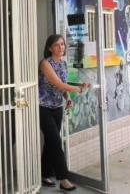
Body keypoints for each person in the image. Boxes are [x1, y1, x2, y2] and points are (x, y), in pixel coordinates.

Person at [39, 34, 89, 191]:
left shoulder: (63, 64)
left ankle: (44, 174)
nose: (60, 47)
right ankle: (63, 178)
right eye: (56, 45)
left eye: (62, 44)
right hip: (43, 108)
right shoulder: (45, 64)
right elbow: (58, 83)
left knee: (50, 142)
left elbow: (63, 86)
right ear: (49, 48)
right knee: (55, 141)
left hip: (57, 108)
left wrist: (68, 98)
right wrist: (79, 89)